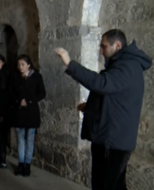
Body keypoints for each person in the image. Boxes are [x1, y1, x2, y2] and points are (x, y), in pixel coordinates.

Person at [54, 29, 152, 190]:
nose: (100, 51)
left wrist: (69, 63)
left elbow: (102, 84)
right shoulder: (124, 65)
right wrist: (91, 106)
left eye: (104, 46)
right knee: (116, 185)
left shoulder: (127, 66)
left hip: (112, 141)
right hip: (114, 139)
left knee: (104, 185)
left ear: (118, 45)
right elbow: (115, 95)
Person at [10, 54, 46, 177]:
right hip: (18, 112)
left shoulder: (37, 77)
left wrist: (30, 101)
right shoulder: (14, 77)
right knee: (20, 139)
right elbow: (10, 92)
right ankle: (20, 164)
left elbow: (42, 93)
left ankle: (27, 165)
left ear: (28, 65)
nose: (20, 67)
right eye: (18, 64)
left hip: (31, 112)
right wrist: (18, 101)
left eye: (22, 64)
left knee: (29, 139)